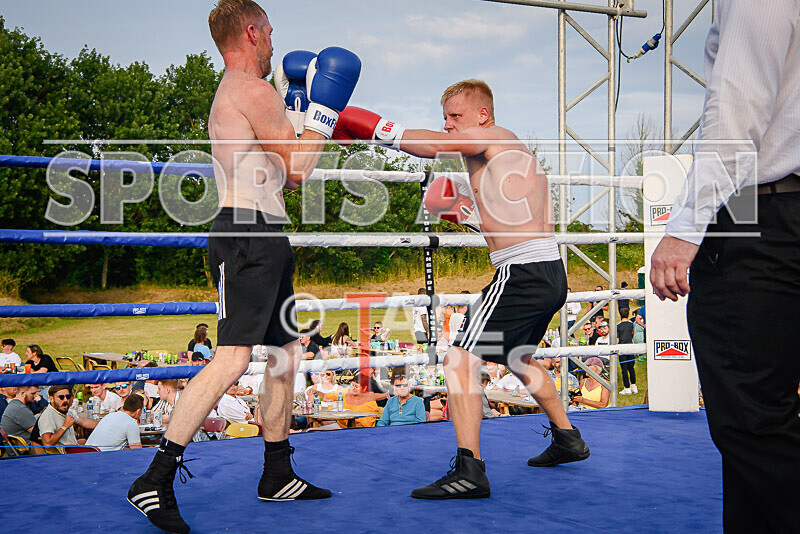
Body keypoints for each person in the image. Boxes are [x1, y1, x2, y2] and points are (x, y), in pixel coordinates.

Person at [127, 2, 361, 531]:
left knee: (285, 352)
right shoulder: (251, 90)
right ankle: (155, 477)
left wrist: (300, 108)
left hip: (265, 234)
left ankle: (276, 472)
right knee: (233, 358)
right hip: (246, 236)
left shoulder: (250, 94)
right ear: (252, 33)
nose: (276, 42)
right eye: (271, 32)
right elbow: (299, 170)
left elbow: (282, 168)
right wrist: (322, 112)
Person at [333, 78, 589, 498]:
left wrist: (365, 125)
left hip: (521, 272)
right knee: (518, 356)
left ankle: (470, 470)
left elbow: (434, 146)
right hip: (545, 270)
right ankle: (568, 438)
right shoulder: (502, 161)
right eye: (445, 118)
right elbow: (492, 218)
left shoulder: (495, 138)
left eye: (456, 116)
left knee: (458, 362)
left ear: (483, 115)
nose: (449, 126)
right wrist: (452, 205)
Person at [650, 3, 800, 531]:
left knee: (750, 415)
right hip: (770, 208)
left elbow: (736, 111)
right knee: (760, 413)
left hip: (758, 208)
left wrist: (685, 227)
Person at [38, 385, 97, 449]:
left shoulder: (64, 411)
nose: (65, 400)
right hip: (66, 455)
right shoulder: (48, 415)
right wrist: (65, 426)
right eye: (61, 397)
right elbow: (47, 444)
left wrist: (103, 424)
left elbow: (83, 421)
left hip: (73, 448)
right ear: (51, 399)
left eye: (68, 396)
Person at [616, 308, 637, 395]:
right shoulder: (631, 324)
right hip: (630, 347)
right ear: (628, 315)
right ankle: (634, 386)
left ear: (620, 315)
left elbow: (617, 339)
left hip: (622, 348)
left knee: (624, 368)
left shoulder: (618, 326)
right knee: (631, 368)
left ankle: (626, 388)